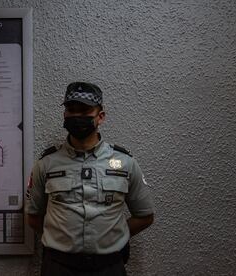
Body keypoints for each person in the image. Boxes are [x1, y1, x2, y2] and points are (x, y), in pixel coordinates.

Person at [25, 82, 154, 276]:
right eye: (71, 110)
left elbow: (144, 216)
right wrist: (61, 238)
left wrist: (113, 235)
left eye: (85, 110)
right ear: (64, 115)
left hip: (109, 267)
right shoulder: (46, 164)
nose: (77, 116)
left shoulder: (125, 162)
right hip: (58, 267)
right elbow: (34, 216)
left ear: (100, 116)